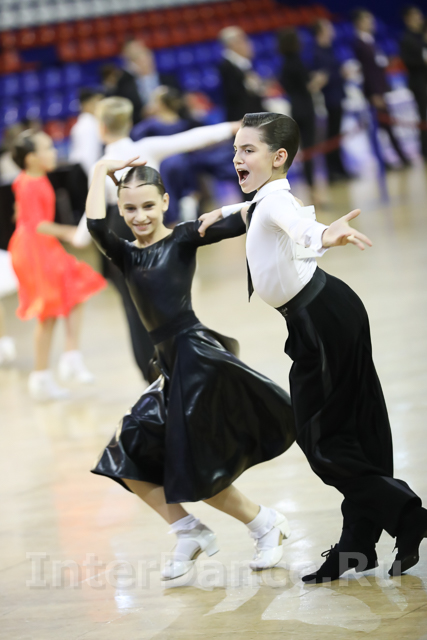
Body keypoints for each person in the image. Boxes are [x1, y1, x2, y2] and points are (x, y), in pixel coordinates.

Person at [197, 112, 427, 583]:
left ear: (278, 157)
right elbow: (257, 213)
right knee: (355, 428)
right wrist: (221, 214)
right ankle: (358, 546)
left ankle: (409, 516)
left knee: (320, 440)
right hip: (326, 312)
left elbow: (300, 228)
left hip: (321, 321)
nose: (237, 158)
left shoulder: (276, 203)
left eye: (248, 150)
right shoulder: (266, 200)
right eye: (236, 149)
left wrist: (325, 234)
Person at [86, 158, 296, 580]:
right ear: (120, 210)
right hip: (170, 367)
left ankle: (264, 523)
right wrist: (99, 171)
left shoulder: (183, 237)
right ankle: (188, 530)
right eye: (130, 209)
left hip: (197, 362)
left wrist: (255, 204)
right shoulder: (124, 255)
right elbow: (94, 227)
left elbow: (246, 219)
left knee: (196, 467)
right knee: (125, 452)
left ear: (165, 202)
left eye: (149, 205)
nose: (140, 216)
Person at [75, 97, 241, 381]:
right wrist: (232, 127)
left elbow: (94, 217)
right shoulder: (145, 147)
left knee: (134, 308)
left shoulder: (104, 165)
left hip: (119, 228)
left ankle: (152, 373)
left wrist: (80, 235)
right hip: (143, 231)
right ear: (129, 123)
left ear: (101, 128)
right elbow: (191, 138)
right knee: (167, 298)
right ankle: (172, 366)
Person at [8, 130, 106, 401]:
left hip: (40, 246)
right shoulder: (30, 182)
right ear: (31, 158)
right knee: (48, 312)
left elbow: (24, 215)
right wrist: (69, 233)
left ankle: (70, 356)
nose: (54, 152)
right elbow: (36, 223)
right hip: (34, 249)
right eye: (48, 148)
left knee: (77, 289)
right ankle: (41, 375)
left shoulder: (32, 178)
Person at [352, 8, 412, 169]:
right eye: (367, 20)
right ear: (359, 23)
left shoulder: (370, 41)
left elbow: (377, 66)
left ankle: (399, 157)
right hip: (374, 93)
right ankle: (388, 160)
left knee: (387, 126)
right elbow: (367, 72)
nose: (371, 23)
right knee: (380, 127)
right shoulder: (359, 44)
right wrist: (374, 93)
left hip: (380, 89)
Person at [278, 29, 327, 201]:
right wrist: (319, 80)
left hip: (295, 109)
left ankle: (312, 186)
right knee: (309, 150)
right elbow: (306, 86)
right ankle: (313, 188)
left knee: (306, 150)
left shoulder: (284, 64)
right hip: (305, 109)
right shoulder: (296, 61)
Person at [312, 19, 351, 182]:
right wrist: (339, 74)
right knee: (331, 135)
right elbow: (321, 78)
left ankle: (340, 168)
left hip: (337, 95)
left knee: (336, 134)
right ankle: (332, 171)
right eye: (328, 28)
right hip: (328, 99)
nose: (332, 30)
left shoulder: (329, 49)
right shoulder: (317, 53)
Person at [218, 26, 265, 121]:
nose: (249, 44)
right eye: (244, 40)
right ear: (233, 44)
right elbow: (235, 95)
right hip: (242, 118)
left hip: (253, 115)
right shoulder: (227, 67)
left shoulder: (244, 64)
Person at [122, 38, 180, 114]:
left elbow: (178, 101)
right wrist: (144, 113)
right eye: (138, 59)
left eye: (146, 57)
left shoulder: (168, 79)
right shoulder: (128, 88)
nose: (144, 62)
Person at [400, 5, 427, 161]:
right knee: (424, 116)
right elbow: (409, 62)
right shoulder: (407, 39)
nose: (419, 19)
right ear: (408, 19)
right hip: (419, 83)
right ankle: (425, 149)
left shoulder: (422, 36)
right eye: (416, 16)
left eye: (420, 15)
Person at [69, 88, 104, 179]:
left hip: (81, 171)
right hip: (83, 173)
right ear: (87, 105)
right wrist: (94, 179)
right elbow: (87, 157)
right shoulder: (88, 126)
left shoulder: (87, 123)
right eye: (97, 103)